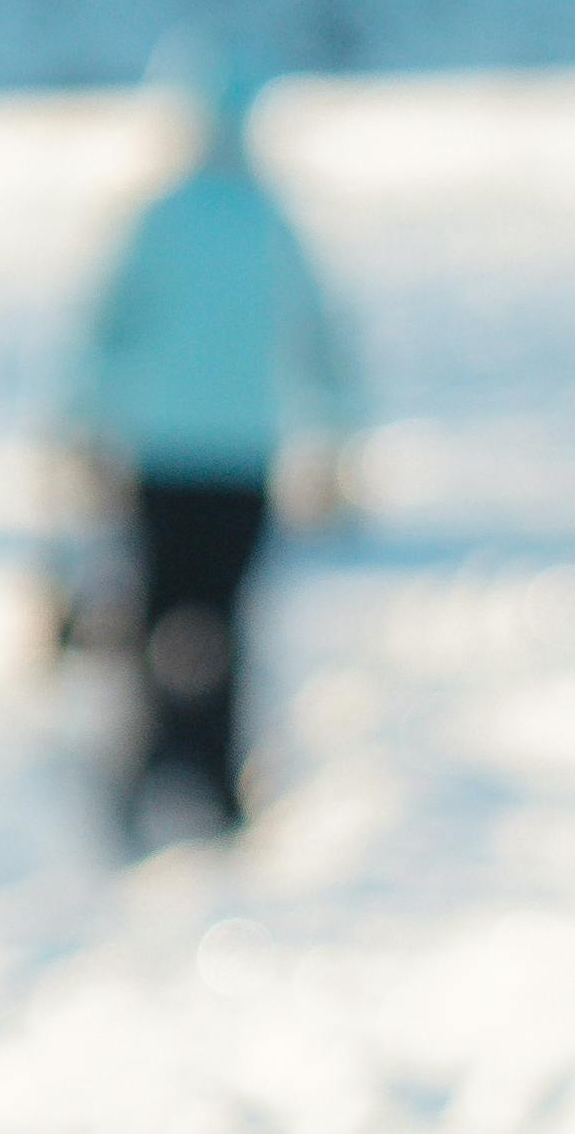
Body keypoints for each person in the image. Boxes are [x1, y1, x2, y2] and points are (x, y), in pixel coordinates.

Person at [56, 52, 357, 840]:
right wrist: (338, 441)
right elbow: (319, 337)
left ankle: (147, 774)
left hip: (158, 456)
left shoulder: (157, 217)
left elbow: (103, 332)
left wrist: (81, 428)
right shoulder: (269, 220)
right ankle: (218, 782)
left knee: (154, 617)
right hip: (243, 460)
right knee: (225, 622)